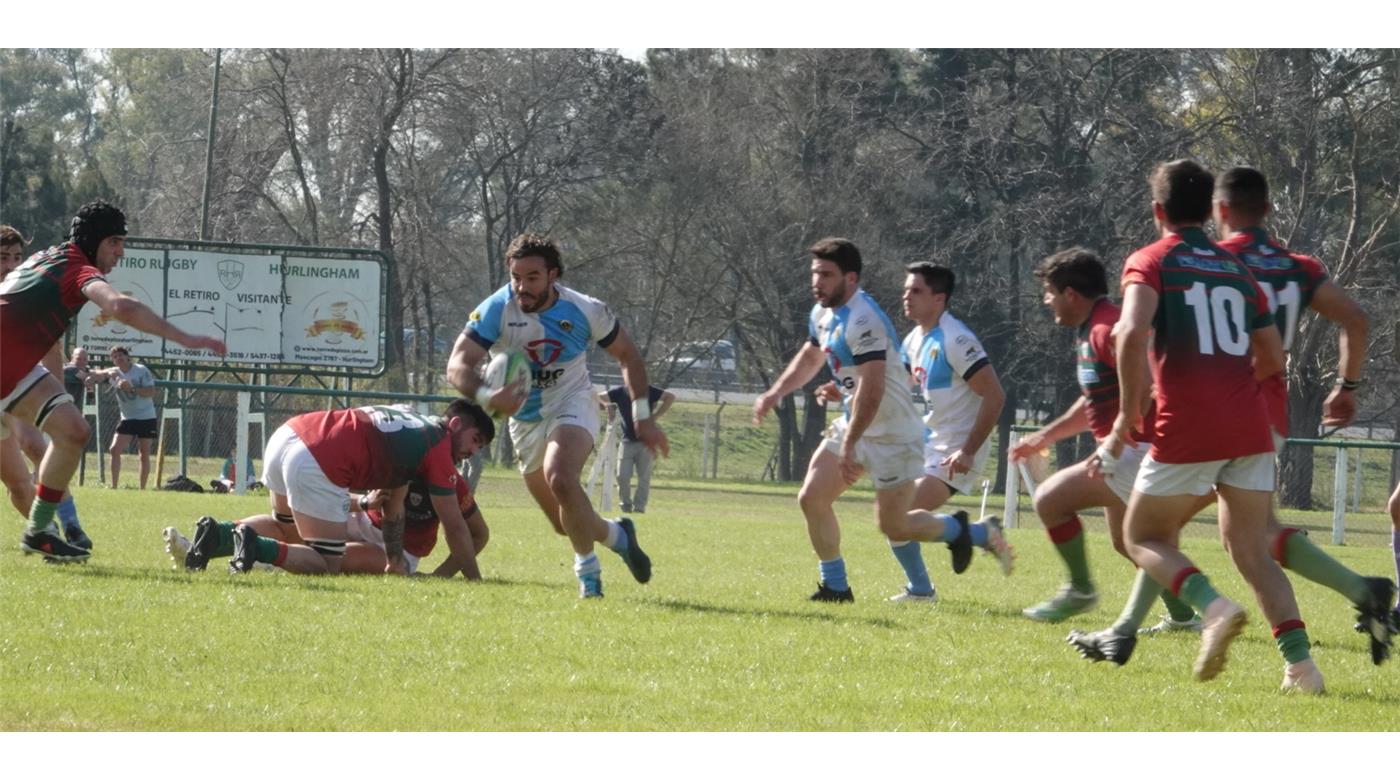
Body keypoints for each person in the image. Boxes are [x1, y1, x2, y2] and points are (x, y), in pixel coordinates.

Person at [1066, 159, 1319, 692]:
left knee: (1142, 535)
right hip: (1250, 425)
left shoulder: (1150, 260)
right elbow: (1273, 356)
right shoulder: (1236, 268)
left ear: (1157, 211)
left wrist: (1128, 413)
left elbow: (1130, 333)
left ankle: (1214, 608)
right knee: (1252, 551)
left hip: (1189, 425)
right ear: (1208, 211)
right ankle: (1302, 670)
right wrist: (1230, 384)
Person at [1213, 166, 1393, 664]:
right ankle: (1362, 591)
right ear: (1268, 210)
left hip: (1219, 409)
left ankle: (1147, 621)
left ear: (1220, 210)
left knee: (1154, 525)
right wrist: (1346, 388)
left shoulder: (1214, 260)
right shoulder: (1298, 266)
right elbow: (1356, 319)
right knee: (1251, 537)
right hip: (1269, 413)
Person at [1, 201, 225, 561]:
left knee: (74, 432)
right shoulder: (79, 268)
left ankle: (40, 530)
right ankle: (52, 528)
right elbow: (121, 307)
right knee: (53, 443)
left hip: (14, 369)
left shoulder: (51, 256)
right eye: (114, 242)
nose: (120, 252)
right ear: (94, 241)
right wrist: (186, 338)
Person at [446, 233, 665, 598]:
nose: (522, 287)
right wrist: (488, 395)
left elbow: (628, 356)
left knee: (561, 478)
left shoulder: (585, 310)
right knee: (565, 522)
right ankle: (618, 535)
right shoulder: (497, 309)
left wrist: (642, 416)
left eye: (532, 277)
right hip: (524, 419)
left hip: (572, 400)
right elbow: (457, 365)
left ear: (553, 275)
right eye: (516, 277)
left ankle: (588, 576)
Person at [1012, 249, 1197, 628]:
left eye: (1049, 292)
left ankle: (1080, 590)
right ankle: (1184, 616)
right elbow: (1095, 400)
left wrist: (1120, 435)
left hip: (1140, 450)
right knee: (1129, 542)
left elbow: (1147, 382)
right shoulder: (1093, 328)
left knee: (1050, 500)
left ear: (1070, 294)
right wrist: (1045, 436)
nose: (1046, 301)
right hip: (1127, 449)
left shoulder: (1106, 328)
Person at [756, 238, 921, 602]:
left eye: (826, 275)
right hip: (858, 420)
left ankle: (947, 560)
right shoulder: (822, 313)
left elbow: (873, 390)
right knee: (812, 497)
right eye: (815, 274)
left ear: (851, 279)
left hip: (893, 430)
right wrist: (775, 393)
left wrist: (849, 443)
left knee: (894, 522)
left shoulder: (864, 320)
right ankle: (836, 587)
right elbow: (811, 356)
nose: (817, 282)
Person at [209, 401, 491, 579]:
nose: (474, 451)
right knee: (325, 564)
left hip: (291, 433)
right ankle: (256, 547)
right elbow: (455, 527)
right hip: (316, 458)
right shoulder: (438, 448)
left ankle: (214, 535)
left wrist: (395, 561)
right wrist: (474, 581)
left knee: (287, 528)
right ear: (454, 425)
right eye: (475, 440)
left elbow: (393, 502)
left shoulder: (413, 421)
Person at [169, 469, 488, 577]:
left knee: (337, 558)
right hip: (357, 516)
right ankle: (209, 540)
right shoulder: (395, 458)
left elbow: (479, 534)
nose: (472, 451)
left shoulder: (451, 482)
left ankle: (260, 554)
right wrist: (363, 501)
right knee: (290, 527)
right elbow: (341, 493)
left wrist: (440, 575)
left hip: (395, 550)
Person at [89, 345, 159, 489]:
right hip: (127, 418)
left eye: (121, 355)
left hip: (146, 417)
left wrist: (132, 388)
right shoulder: (114, 372)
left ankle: (142, 489)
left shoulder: (141, 370)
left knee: (143, 453)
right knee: (114, 449)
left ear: (128, 357)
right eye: (115, 357)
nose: (118, 358)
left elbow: (151, 392)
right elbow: (97, 373)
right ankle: (114, 486)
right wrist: (90, 376)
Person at [600, 383, 675, 513]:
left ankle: (639, 508)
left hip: (646, 442)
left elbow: (670, 397)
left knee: (644, 477)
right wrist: (607, 405)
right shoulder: (620, 392)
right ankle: (625, 504)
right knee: (622, 475)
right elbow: (598, 396)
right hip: (627, 441)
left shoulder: (648, 390)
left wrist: (655, 416)